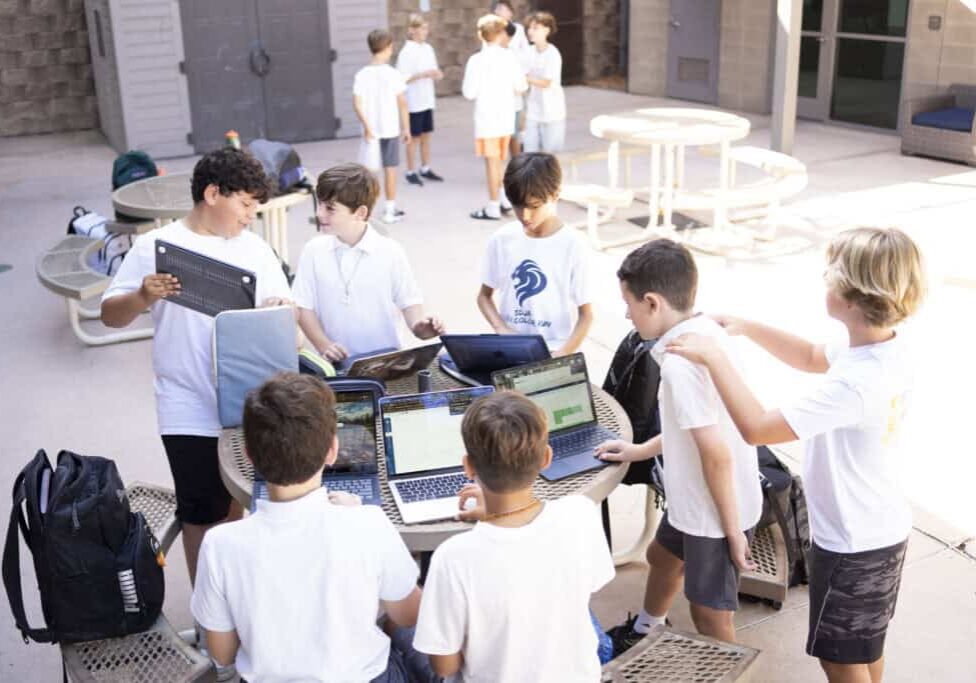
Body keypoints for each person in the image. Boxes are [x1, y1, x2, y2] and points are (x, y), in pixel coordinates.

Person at [664, 228, 926, 683]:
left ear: (854, 296)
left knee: (839, 659)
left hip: (853, 541)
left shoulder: (856, 386)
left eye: (831, 276)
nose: (824, 281)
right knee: (864, 644)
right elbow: (808, 355)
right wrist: (746, 327)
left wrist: (715, 359)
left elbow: (756, 428)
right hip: (880, 527)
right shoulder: (880, 346)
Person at [101, 148, 293, 585]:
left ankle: (234, 594)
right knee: (201, 512)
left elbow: (290, 323)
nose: (251, 215)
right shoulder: (154, 247)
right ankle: (209, 611)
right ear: (212, 194)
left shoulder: (255, 249)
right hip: (184, 401)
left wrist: (281, 310)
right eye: (245, 203)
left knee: (238, 503)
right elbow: (111, 316)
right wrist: (142, 297)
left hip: (249, 400)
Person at [191, 373, 431, 682]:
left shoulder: (219, 544)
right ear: (332, 450)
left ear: (249, 456)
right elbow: (408, 614)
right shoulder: (367, 522)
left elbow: (222, 654)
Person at [595, 239, 762, 651]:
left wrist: (731, 532)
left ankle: (732, 673)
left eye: (628, 303)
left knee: (710, 614)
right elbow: (687, 429)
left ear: (652, 303)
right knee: (661, 557)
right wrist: (638, 451)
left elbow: (716, 455)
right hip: (694, 498)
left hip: (714, 512)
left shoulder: (681, 366)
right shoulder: (705, 334)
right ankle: (647, 627)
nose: (627, 314)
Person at [413, 391, 615, 682]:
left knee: (402, 632)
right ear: (546, 458)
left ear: (468, 466)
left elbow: (445, 666)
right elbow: (589, 583)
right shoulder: (580, 512)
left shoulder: (453, 557)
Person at [292, 163, 444, 365]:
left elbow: (409, 303)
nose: (319, 214)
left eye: (330, 208)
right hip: (331, 364)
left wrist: (422, 327)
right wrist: (324, 345)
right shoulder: (313, 250)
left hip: (384, 364)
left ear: (360, 213)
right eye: (319, 204)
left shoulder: (390, 251)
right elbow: (303, 306)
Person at [477, 152, 592, 355]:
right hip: (509, 349)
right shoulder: (502, 239)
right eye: (517, 206)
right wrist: (501, 329)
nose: (525, 215)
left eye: (534, 206)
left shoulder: (574, 244)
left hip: (554, 348)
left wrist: (563, 353)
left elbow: (586, 315)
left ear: (555, 194)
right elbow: (484, 296)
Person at [462, 13, 528, 220]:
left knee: (491, 162)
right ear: (500, 34)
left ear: (481, 35)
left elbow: (469, 93)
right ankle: (503, 198)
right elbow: (521, 86)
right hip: (505, 117)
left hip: (487, 119)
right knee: (500, 159)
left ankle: (492, 206)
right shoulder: (509, 57)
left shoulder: (476, 60)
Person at [353, 29, 411, 224]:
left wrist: (367, 127)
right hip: (390, 129)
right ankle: (389, 209)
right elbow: (403, 103)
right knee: (390, 168)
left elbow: (357, 104)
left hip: (370, 131)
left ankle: (365, 211)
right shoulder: (393, 74)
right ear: (388, 47)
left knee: (368, 173)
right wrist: (406, 128)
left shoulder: (362, 75)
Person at [396, 13, 445, 187]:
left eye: (426, 28)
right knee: (414, 138)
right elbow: (402, 79)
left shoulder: (428, 49)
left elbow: (434, 70)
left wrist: (437, 74)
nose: (426, 31)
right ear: (412, 30)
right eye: (422, 28)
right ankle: (410, 171)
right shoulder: (406, 52)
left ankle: (425, 168)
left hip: (427, 100)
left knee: (426, 136)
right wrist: (422, 74)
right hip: (414, 102)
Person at [523, 11, 566, 153]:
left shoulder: (553, 54)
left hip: (552, 112)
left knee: (550, 155)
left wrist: (525, 78)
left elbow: (546, 83)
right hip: (533, 110)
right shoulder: (528, 52)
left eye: (535, 28)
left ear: (547, 30)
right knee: (530, 152)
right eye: (529, 28)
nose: (530, 31)